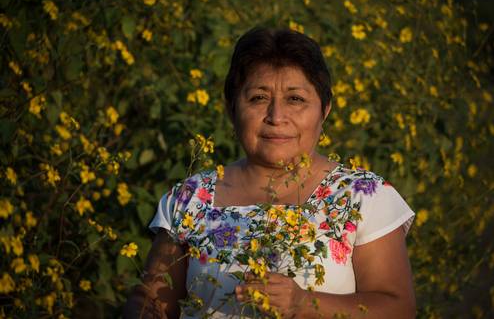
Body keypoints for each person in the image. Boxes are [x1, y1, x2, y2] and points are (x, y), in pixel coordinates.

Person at [124, 27, 416, 319]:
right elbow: (152, 302)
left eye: (295, 99)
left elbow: (398, 309)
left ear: (324, 109)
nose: (276, 117)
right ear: (231, 109)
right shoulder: (190, 199)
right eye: (258, 98)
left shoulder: (364, 196)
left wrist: (301, 304)